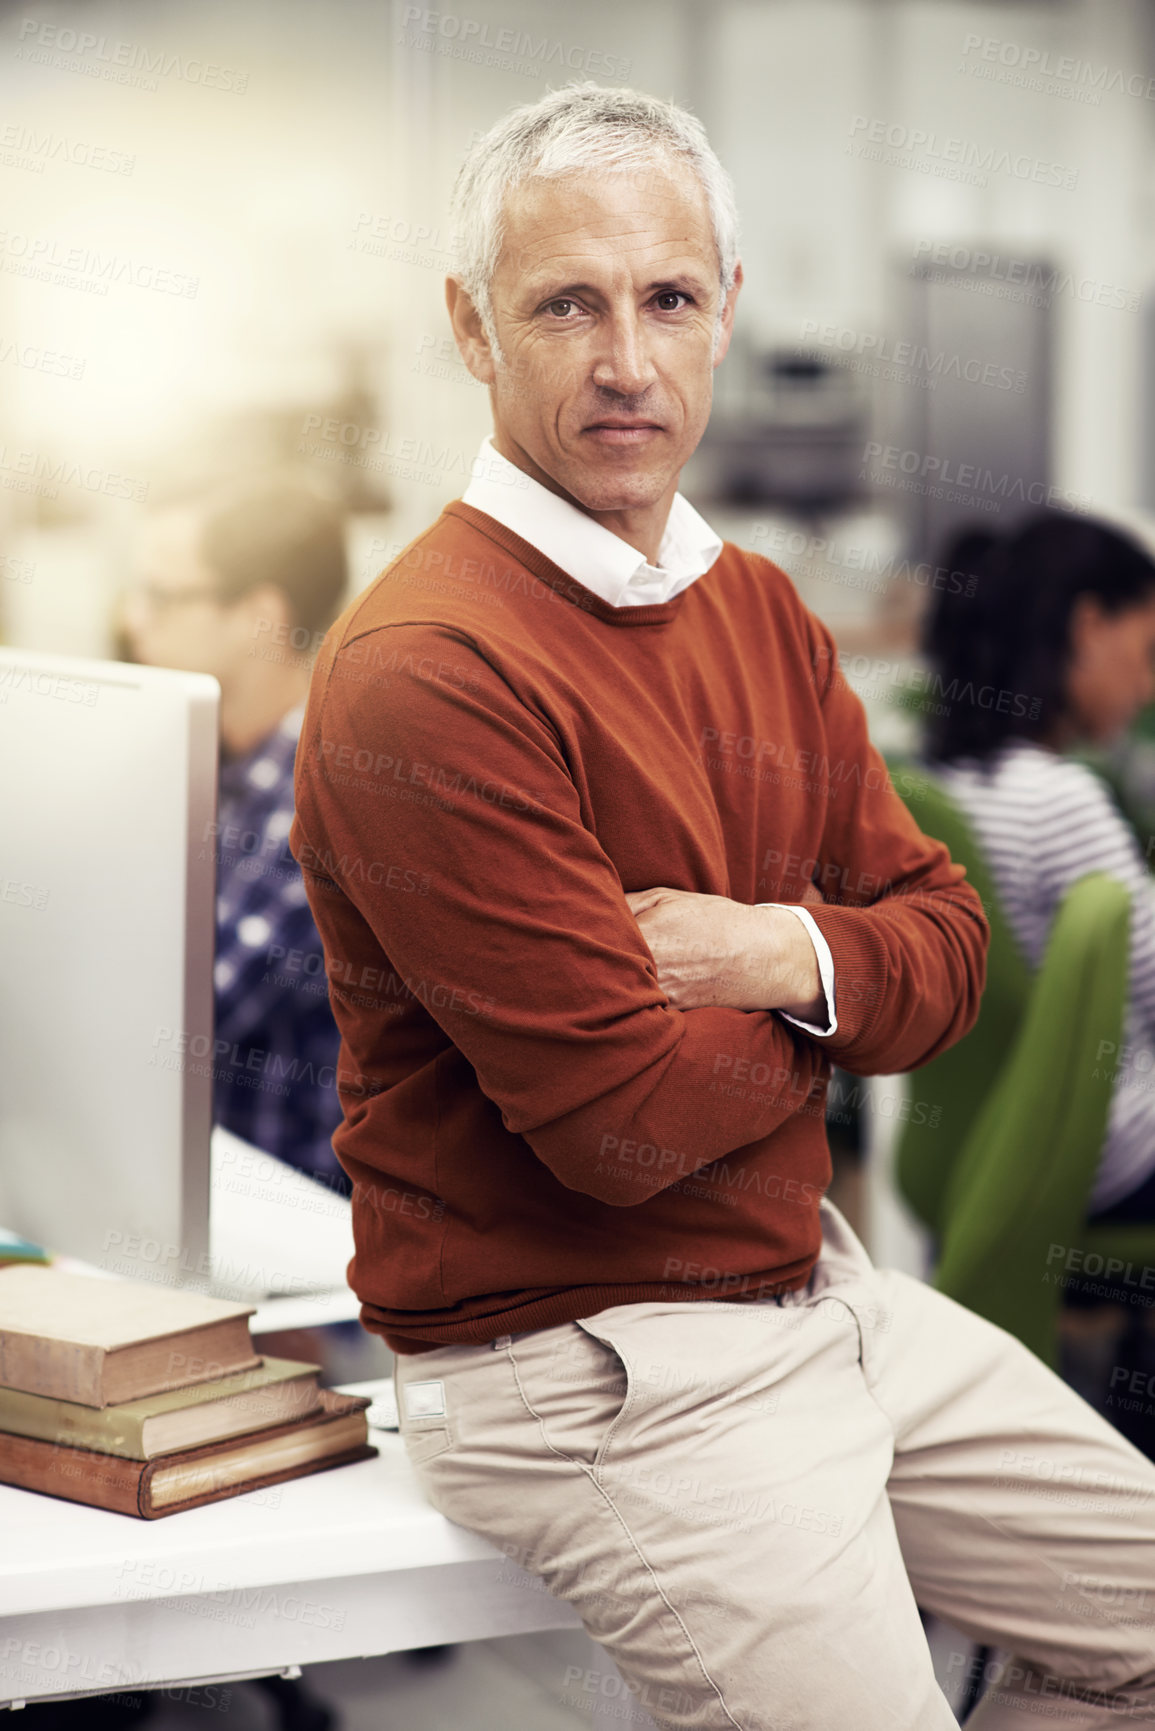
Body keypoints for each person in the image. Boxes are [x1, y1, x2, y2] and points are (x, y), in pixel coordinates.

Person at [292, 85, 1155, 1727]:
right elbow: (615, 1127)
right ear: (471, 326)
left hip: (813, 1294)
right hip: (594, 1372)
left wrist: (772, 950)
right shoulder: (433, 671)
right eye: (568, 304)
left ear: (728, 312)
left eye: (668, 299)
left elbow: (949, 953)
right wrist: (837, 1010)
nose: (628, 361)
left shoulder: (754, 606)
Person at [926, 512, 1155, 1222]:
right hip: (1114, 1152)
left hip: (994, 1148)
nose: (1148, 687)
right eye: (1148, 652)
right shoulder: (1057, 800)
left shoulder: (944, 786)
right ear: (1088, 627)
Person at [125, 477, 350, 1192]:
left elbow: (171, 1016)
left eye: (161, 595)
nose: (133, 619)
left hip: (302, 1255)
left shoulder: (321, 795)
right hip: (199, 1207)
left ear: (259, 616)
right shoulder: (217, 769)